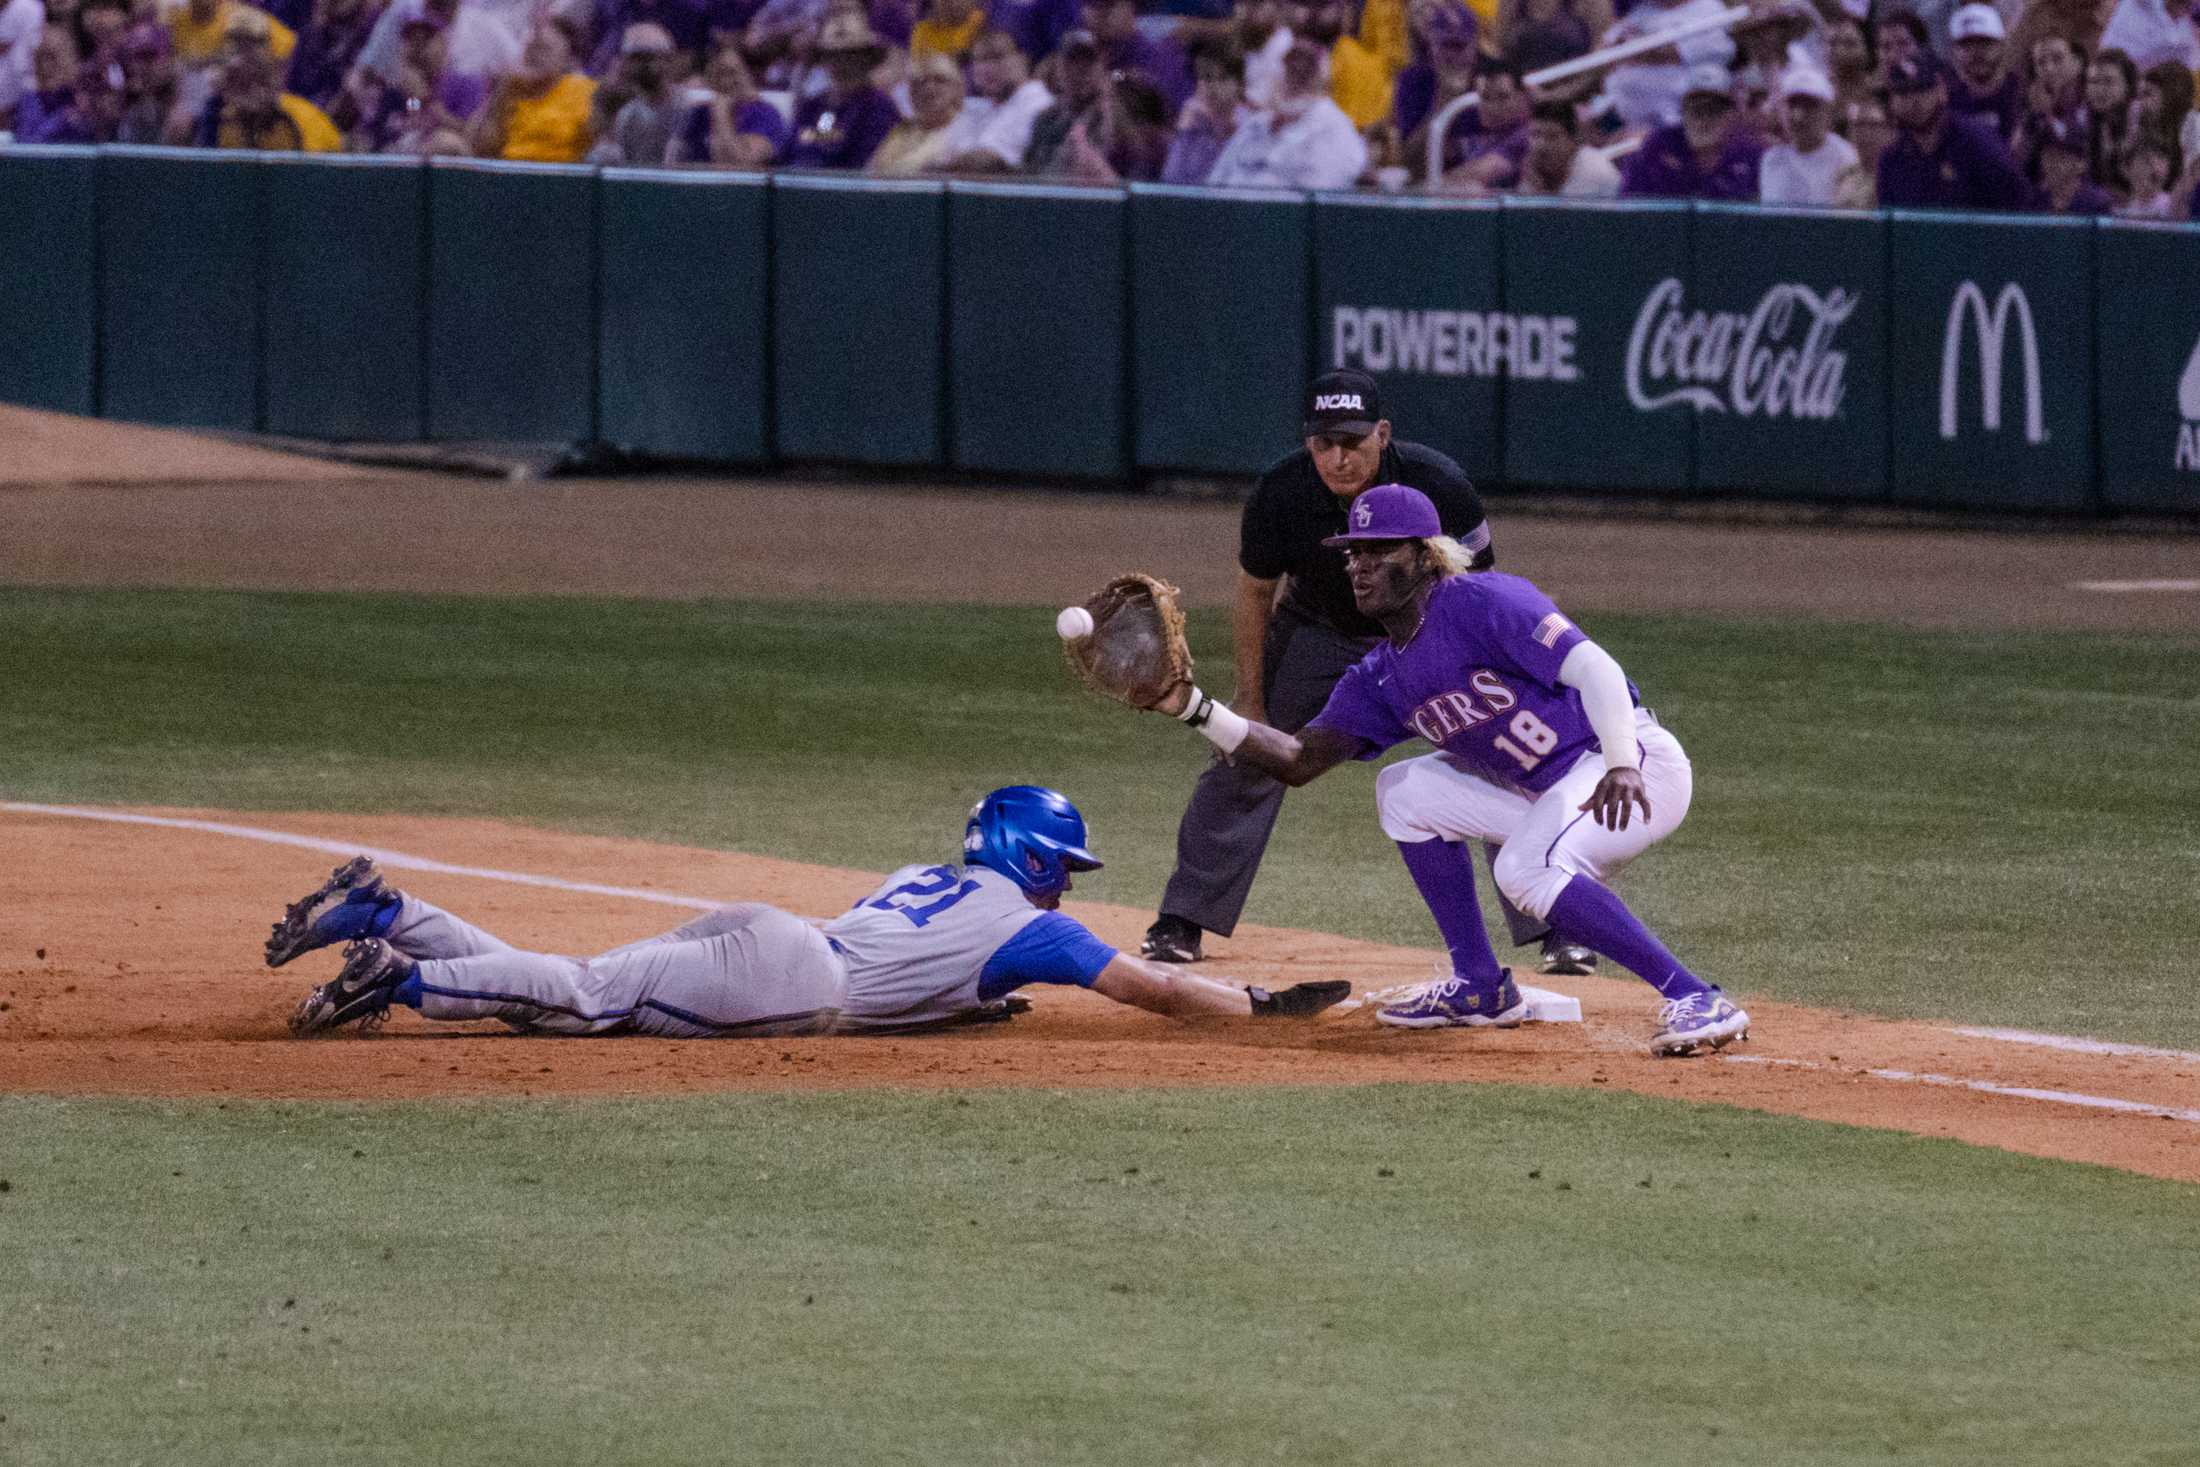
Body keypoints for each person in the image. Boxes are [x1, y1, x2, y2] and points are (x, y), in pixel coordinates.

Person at [1140, 484, 1752, 1058]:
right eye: (1354, 553)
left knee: (1526, 868)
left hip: (1632, 769)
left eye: (1381, 552)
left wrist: (1621, 762)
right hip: (1546, 789)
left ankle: (1695, 995)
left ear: (1428, 556)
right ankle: (1480, 987)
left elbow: (1597, 670)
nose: (1360, 566)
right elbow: (1298, 761)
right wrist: (1192, 708)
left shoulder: (1483, 601)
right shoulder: (1379, 674)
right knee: (1403, 790)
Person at [273, 789, 1353, 1038]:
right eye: (1061, 864)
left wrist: (960, 1013)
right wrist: (1255, 1007)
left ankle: (399, 912)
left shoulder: (915, 878)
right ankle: (398, 975)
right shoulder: (1038, 931)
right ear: (1028, 853)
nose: (1067, 885)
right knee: (587, 1002)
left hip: (770, 934)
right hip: (798, 982)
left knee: (575, 984)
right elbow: (1156, 985)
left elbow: (917, 980)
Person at [1139, 372, 1562, 975]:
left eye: (1353, 441)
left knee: (1495, 755)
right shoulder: (1281, 493)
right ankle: (1182, 920)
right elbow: (1256, 595)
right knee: (1249, 754)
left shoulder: (1439, 485)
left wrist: (1486, 685)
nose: (1338, 457)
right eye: (1322, 443)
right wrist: (1250, 700)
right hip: (1319, 631)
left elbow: (1478, 591)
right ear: (1307, 442)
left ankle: (1558, 924)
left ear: (1382, 434)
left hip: (1433, 634)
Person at [1204, 33, 1367, 188]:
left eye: (1306, 70)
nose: (1296, 75)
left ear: (1324, 81)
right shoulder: (1255, 125)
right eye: (1290, 66)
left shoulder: (1336, 129)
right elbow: (1214, 185)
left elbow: (1322, 196)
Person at [1876, 51, 2030, 208]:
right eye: (1903, 94)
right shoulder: (1891, 160)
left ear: (1941, 91)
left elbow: (2017, 212)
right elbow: (1889, 225)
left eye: (1922, 90)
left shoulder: (1979, 145)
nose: (1913, 102)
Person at [1619, 62, 1765, 200]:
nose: (1703, 121)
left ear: (1732, 114)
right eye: (1696, 111)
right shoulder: (1657, 148)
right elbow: (1628, 210)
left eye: (1713, 111)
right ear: (1682, 113)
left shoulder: (1751, 156)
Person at [779, 9, 900, 167]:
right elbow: (785, 154)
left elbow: (862, 163)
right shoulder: (812, 105)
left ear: (866, 57)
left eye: (851, 53)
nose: (841, 61)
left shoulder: (879, 107)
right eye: (833, 54)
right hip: (795, 184)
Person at [470, 16, 594, 160]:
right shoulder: (512, 88)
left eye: (544, 49)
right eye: (531, 48)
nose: (536, 56)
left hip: (558, 174)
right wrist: (501, 94)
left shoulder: (582, 90)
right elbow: (480, 149)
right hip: (508, 174)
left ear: (568, 58)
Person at [938, 24, 1050, 169]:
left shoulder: (1036, 102)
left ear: (1023, 60)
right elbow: (946, 153)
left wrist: (938, 167)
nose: (988, 68)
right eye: (980, 59)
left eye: (997, 57)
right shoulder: (976, 107)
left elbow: (987, 160)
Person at [666, 35, 789, 163]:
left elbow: (742, 163)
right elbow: (674, 158)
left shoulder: (764, 114)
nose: (725, 82)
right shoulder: (699, 113)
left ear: (749, 75)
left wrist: (721, 113)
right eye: (719, 74)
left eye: (732, 73)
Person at [1758, 64, 1857, 203]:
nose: (1798, 116)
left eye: (1810, 106)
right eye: (1792, 105)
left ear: (1828, 111)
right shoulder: (1772, 159)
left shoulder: (1846, 159)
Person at [866, 44, 971, 171]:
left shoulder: (968, 129)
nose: (929, 88)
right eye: (919, 82)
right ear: (910, 93)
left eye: (940, 80)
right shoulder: (902, 131)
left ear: (958, 88)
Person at [1160, 35, 1245, 182]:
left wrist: (1220, 134)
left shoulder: (1250, 126)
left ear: (1240, 85)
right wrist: (1183, 133)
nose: (1213, 87)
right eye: (1206, 78)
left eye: (1222, 79)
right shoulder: (1193, 123)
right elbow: (1170, 181)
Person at [1514, 94, 1621, 194]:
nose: (1541, 145)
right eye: (1535, 135)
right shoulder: (1532, 170)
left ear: (1573, 140)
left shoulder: (1596, 172)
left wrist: (1540, 194)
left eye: (1552, 136)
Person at [1946, 2, 2022, 138]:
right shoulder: (1945, 101)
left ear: (2002, 45)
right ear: (1953, 51)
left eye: (1985, 42)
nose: (1976, 52)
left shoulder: (2022, 92)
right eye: (1966, 45)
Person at [2033, 108, 2115, 204]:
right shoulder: (2036, 199)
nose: (2052, 164)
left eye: (2062, 158)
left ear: (2081, 164)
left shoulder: (2098, 203)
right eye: (2047, 156)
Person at [1828, 89, 1892, 206]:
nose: (1865, 133)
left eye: (1873, 125)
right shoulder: (1844, 175)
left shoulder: (1896, 178)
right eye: (1858, 125)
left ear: (1889, 130)